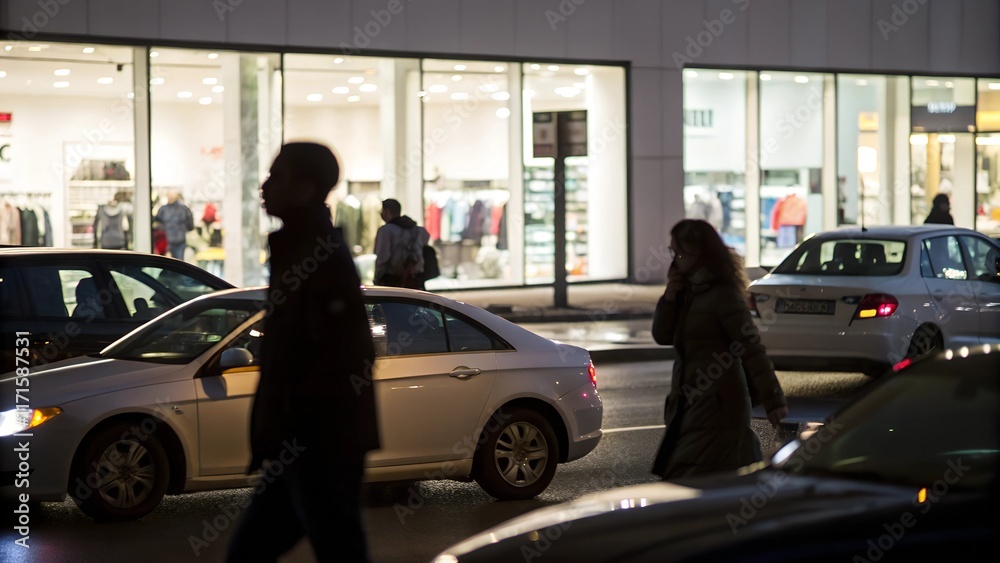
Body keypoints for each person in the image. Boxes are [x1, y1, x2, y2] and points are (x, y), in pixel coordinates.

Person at [226, 142, 379, 563]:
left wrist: (298, 429)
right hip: (302, 442)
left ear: (307, 188)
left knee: (334, 546)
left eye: (278, 176)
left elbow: (344, 353)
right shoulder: (301, 247)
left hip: (315, 443)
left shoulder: (316, 255)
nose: (264, 186)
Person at [650, 219, 788, 480]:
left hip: (718, 401)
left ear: (701, 254)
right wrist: (668, 301)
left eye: (681, 253)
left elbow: (751, 347)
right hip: (687, 398)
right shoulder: (684, 290)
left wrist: (773, 399)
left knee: (689, 471)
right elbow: (662, 336)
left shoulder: (723, 294)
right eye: (673, 252)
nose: (675, 259)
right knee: (717, 472)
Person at [373, 198, 430, 289]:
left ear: (387, 211)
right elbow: (426, 240)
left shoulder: (385, 231)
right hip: (415, 278)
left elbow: (382, 258)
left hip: (392, 280)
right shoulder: (417, 230)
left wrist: (377, 278)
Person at [154, 190, 194, 259]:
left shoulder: (164, 209)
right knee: (177, 263)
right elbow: (190, 224)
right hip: (170, 240)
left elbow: (158, 223)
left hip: (173, 240)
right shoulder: (183, 209)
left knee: (167, 263)